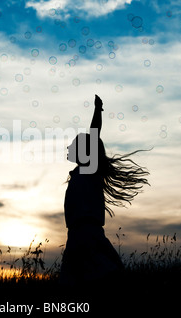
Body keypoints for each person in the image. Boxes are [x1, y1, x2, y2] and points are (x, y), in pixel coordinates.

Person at [60, 94, 150, 286]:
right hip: (78, 236)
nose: (69, 147)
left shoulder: (89, 169)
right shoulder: (79, 173)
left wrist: (97, 110)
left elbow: (94, 133)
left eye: (74, 145)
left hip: (87, 235)